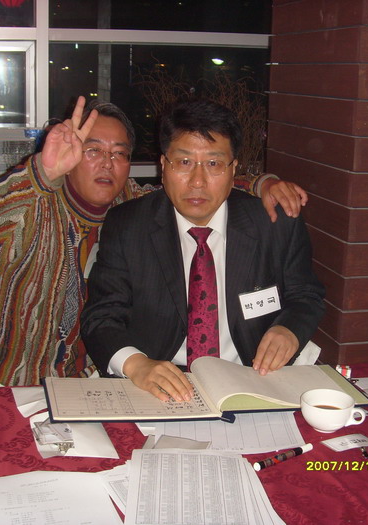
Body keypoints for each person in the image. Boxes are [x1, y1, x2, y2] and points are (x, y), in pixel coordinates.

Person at [0, 96, 307, 522]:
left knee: (77, 502)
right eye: (92, 150)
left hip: (88, 383)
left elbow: (200, 179)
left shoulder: (130, 204)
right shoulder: (29, 204)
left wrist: (264, 183)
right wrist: (41, 171)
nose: (107, 164)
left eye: (119, 154)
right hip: (8, 372)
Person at [81, 98, 325, 403]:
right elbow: (102, 317)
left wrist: (289, 330)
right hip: (160, 382)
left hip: (253, 375)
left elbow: (306, 295)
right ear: (163, 165)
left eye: (213, 164)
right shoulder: (128, 225)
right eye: (184, 162)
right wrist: (136, 364)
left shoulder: (274, 223)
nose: (197, 181)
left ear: (234, 169)